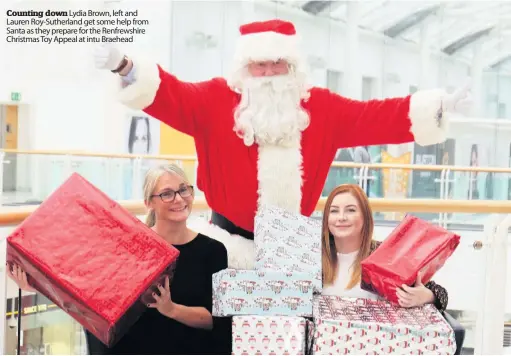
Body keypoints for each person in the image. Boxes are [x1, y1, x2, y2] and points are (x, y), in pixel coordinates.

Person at [94, 19, 471, 269]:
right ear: (245, 67)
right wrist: (126, 66)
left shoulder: (321, 108)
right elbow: (170, 94)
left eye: (279, 64)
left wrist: (438, 106)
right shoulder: (215, 101)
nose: (270, 73)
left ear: (293, 67)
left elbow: (375, 115)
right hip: (225, 246)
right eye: (261, 64)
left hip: (293, 250)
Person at [7, 164, 230, 355]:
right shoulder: (130, 243)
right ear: (149, 202)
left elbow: (218, 322)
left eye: (184, 190)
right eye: (167, 193)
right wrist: (36, 284)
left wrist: (171, 309)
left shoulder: (214, 251)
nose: (179, 199)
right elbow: (88, 292)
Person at [321, 183, 448, 312]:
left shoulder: (385, 254)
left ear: (365, 217)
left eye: (351, 210)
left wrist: (426, 296)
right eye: (334, 211)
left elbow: (441, 295)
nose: (341, 217)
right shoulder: (314, 255)